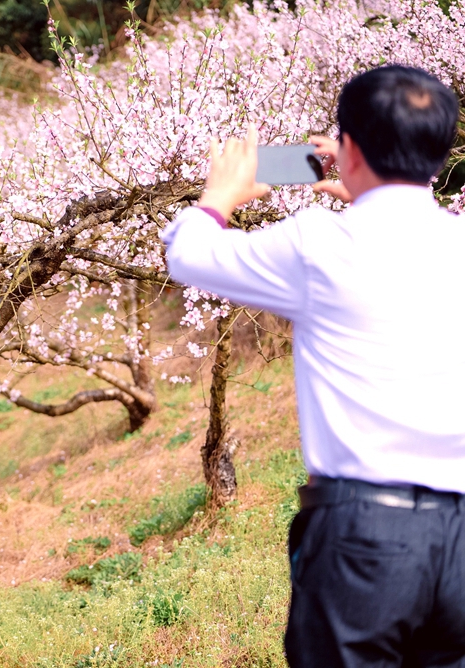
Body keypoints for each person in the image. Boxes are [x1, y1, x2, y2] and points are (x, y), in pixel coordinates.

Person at [160, 65, 465, 666]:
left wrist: (218, 197)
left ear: (348, 149)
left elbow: (187, 253)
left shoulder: (318, 243)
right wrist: (371, 189)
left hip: (365, 538)